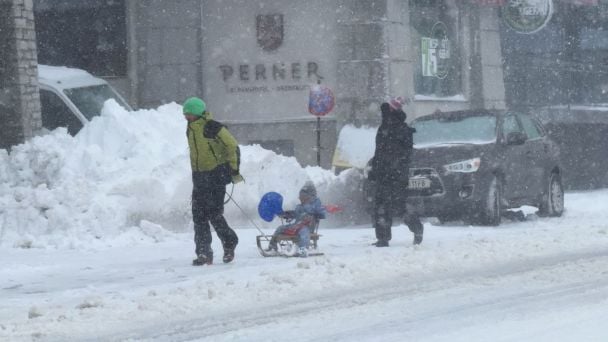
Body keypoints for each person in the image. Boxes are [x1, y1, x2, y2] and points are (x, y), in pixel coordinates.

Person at [183, 97, 243, 266]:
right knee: (198, 215)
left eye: (189, 114)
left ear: (197, 113)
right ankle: (204, 253)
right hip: (199, 176)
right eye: (185, 114)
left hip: (215, 175)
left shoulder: (213, 127)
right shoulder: (190, 129)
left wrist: (233, 170)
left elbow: (232, 146)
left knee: (214, 214)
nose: (186, 117)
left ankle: (229, 242)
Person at [368, 96, 423, 246]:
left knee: (399, 206)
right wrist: (375, 168)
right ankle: (383, 238)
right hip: (383, 173)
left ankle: (417, 228)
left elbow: (405, 154)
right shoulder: (384, 128)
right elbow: (379, 151)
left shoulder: (403, 129)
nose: (386, 113)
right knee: (381, 206)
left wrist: (395, 167)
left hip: (396, 175)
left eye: (389, 110)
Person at [266, 181, 327, 257]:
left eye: (302, 197)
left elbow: (322, 213)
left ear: (308, 197)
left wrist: (318, 214)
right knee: (280, 228)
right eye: (300, 197)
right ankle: (272, 246)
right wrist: (286, 214)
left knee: (304, 233)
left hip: (308, 227)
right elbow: (294, 214)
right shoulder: (299, 207)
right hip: (296, 226)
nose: (300, 198)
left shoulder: (315, 205)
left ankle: (303, 250)